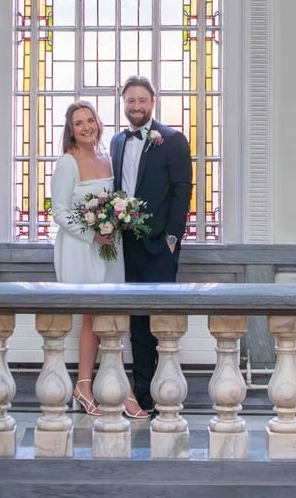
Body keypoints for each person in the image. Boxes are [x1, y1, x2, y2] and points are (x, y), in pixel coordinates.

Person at [51, 100, 148, 419]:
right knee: (93, 315)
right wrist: (93, 233)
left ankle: (112, 386)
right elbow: (60, 212)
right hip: (81, 247)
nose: (86, 126)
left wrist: (114, 222)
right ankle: (88, 385)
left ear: (98, 123)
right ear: (71, 130)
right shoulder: (68, 162)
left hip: (110, 247)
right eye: (78, 123)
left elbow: (114, 201)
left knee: (111, 317)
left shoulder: (107, 157)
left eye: (89, 120)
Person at [110, 76, 192, 412]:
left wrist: (172, 238)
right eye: (130, 100)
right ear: (124, 103)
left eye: (142, 100)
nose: (136, 106)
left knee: (160, 322)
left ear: (152, 103)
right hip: (122, 246)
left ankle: (165, 389)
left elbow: (182, 190)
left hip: (159, 246)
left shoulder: (172, 140)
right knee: (134, 322)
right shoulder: (116, 141)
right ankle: (142, 392)